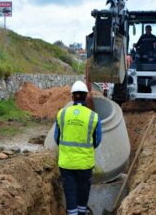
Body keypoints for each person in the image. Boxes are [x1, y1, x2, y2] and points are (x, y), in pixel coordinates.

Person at [54, 81, 102, 215]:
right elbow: (97, 140)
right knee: (83, 193)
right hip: (85, 164)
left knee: (70, 194)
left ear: (72, 97)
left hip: (66, 163)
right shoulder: (93, 116)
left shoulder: (62, 114)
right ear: (86, 96)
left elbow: (57, 138)